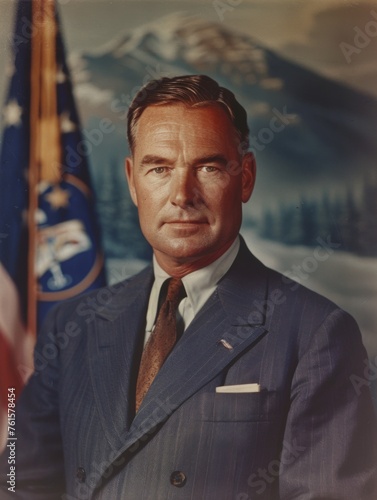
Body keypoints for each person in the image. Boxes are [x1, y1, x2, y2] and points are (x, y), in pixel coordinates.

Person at [1, 74, 376, 500]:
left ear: (246, 177)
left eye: (208, 167)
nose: (182, 193)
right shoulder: (72, 324)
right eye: (159, 168)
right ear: (132, 181)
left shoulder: (315, 333)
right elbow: (17, 481)